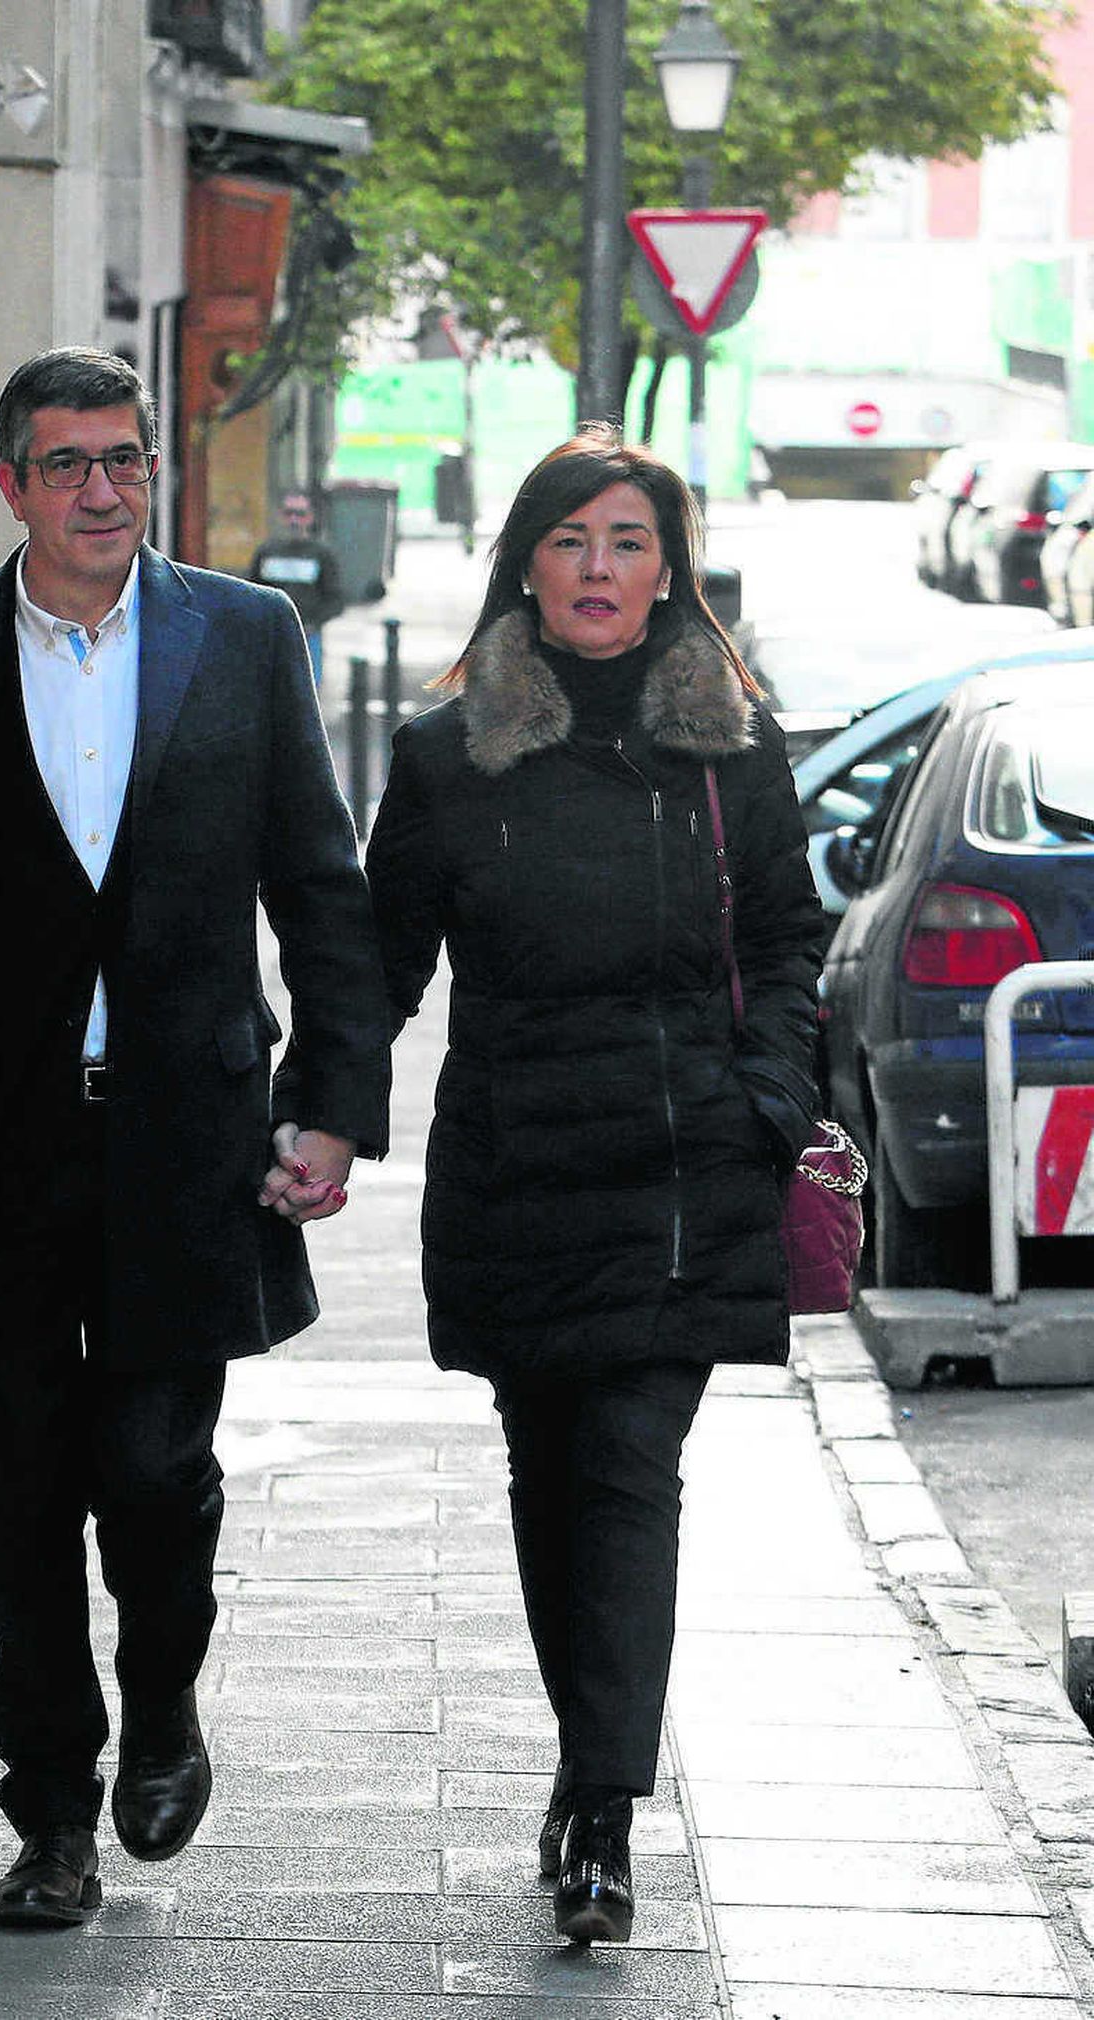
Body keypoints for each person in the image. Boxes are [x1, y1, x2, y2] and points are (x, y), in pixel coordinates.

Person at [0, 347, 391, 1929]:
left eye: (124, 461)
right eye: (66, 463)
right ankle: (51, 1816)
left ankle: (166, 1701)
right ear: (13, 484)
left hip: (185, 1139)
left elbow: (320, 886)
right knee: (14, 1488)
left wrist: (333, 1105)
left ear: (154, 475)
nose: (99, 491)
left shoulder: (245, 638)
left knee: (152, 1468)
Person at [364, 426, 824, 1946]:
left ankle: (606, 1813)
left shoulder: (734, 752)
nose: (601, 571)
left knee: (630, 1472)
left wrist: (770, 1102)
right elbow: (379, 960)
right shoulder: (449, 758)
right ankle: (585, 1769)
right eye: (573, 542)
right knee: (550, 1482)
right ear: (527, 566)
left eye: (630, 543)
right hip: (517, 1169)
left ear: (669, 570)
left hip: (689, 1173)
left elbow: (785, 947)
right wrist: (316, 1112)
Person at [248, 491, 346, 684]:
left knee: (307, 692)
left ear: (310, 517)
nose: (294, 520)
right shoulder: (266, 552)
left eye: (300, 514)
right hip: (272, 637)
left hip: (308, 638)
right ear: (280, 516)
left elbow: (336, 599)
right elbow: (253, 592)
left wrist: (313, 623)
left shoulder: (321, 554)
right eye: (289, 513)